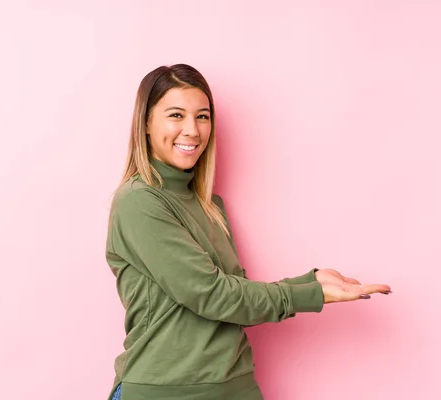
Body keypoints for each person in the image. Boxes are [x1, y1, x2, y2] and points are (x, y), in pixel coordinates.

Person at [105, 64, 392, 400]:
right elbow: (210, 295)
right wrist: (312, 294)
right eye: (176, 115)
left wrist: (310, 282)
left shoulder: (208, 205)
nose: (192, 130)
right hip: (166, 391)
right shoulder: (139, 202)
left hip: (234, 385)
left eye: (202, 116)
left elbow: (232, 299)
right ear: (146, 125)